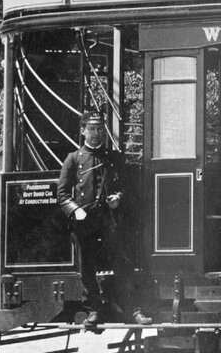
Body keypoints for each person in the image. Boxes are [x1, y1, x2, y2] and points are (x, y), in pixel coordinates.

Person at [57, 112, 151, 329]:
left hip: (110, 220)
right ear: (83, 131)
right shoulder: (73, 159)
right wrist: (75, 211)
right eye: (91, 129)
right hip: (85, 222)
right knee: (86, 267)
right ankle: (93, 311)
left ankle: (133, 310)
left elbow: (128, 187)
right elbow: (62, 194)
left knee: (123, 264)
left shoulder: (114, 158)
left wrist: (119, 197)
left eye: (99, 128)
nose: (96, 133)